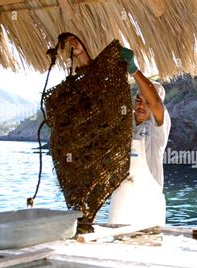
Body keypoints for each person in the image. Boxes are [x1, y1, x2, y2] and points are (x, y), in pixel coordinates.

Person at [66, 34, 170, 226]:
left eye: (146, 102)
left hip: (149, 201)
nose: (141, 105)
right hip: (121, 196)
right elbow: (101, 91)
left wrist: (133, 69)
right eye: (138, 99)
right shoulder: (123, 122)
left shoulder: (159, 128)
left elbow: (155, 101)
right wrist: (82, 56)